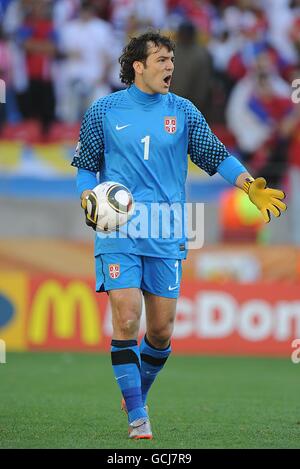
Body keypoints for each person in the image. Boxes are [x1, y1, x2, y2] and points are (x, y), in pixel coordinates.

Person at [71, 31, 286, 440]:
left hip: (167, 229)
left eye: (171, 59)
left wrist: (248, 184)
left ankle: (137, 391)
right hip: (119, 229)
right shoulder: (104, 110)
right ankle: (138, 417)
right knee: (126, 316)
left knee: (161, 331)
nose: (170, 66)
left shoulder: (183, 111)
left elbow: (215, 154)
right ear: (138, 66)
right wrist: (88, 197)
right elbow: (86, 164)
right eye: (161, 60)